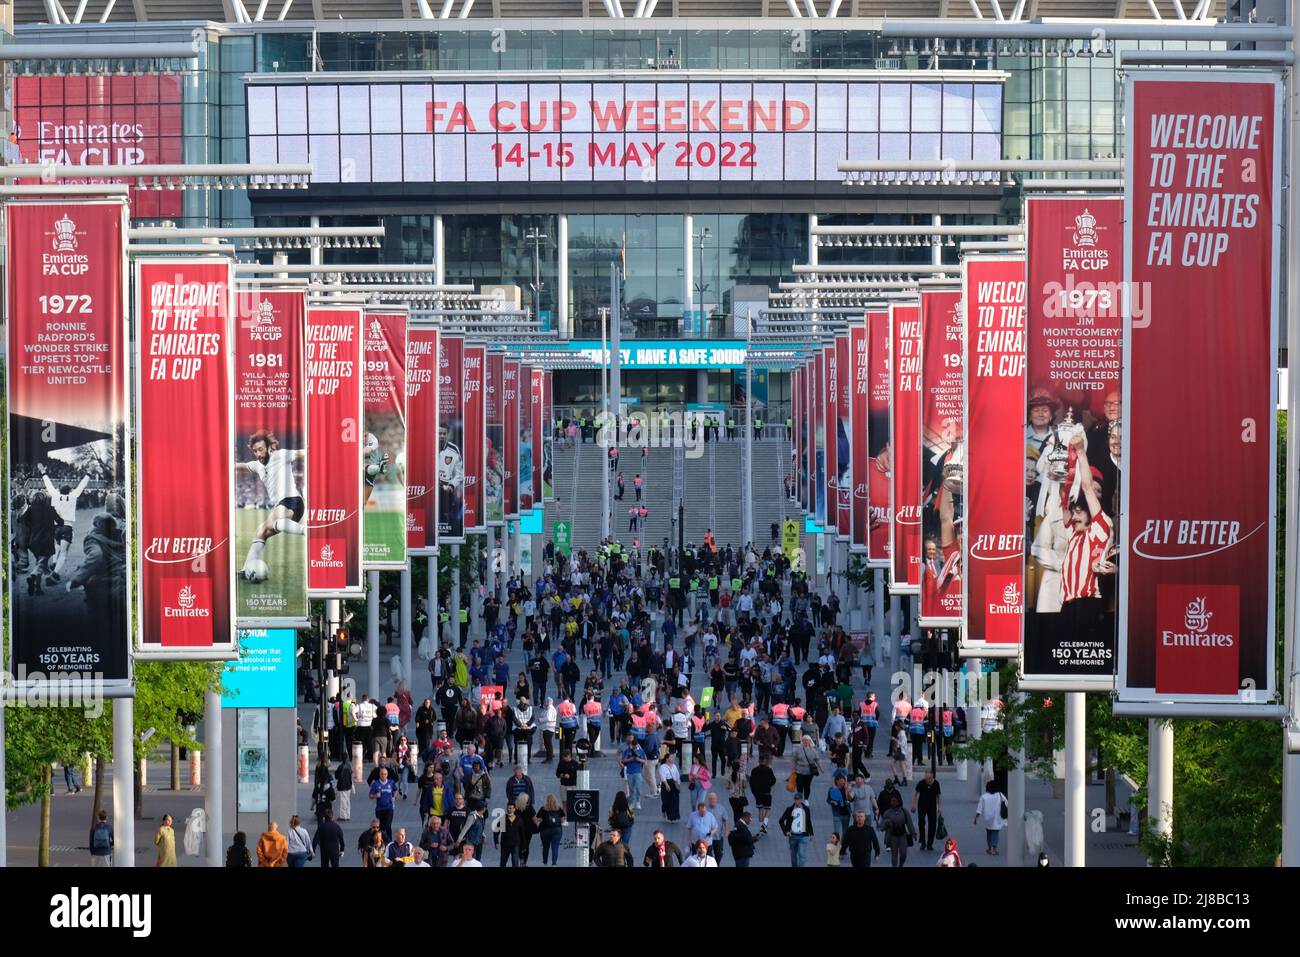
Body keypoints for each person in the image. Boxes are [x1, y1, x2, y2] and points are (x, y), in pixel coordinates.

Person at [880, 793, 916, 868]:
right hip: (892, 836)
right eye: (892, 801)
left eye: (895, 801)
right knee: (894, 854)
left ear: (899, 802)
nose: (893, 803)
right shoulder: (887, 813)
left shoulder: (904, 811)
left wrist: (913, 833)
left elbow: (909, 822)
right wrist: (886, 823)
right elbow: (882, 827)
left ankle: (901, 865)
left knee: (903, 853)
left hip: (902, 835)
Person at [778, 792, 813, 868]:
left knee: (802, 855)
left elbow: (809, 821)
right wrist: (786, 831)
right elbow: (781, 821)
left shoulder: (806, 809)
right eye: (795, 799)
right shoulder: (789, 809)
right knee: (793, 856)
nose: (797, 801)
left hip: (803, 836)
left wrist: (811, 833)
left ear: (801, 800)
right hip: (793, 836)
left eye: (798, 799)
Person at [975, 780, 1008, 855]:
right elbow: (1007, 803)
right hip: (997, 818)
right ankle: (994, 849)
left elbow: (979, 809)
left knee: (989, 833)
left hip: (987, 819)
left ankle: (989, 848)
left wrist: (976, 818)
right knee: (995, 833)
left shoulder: (984, 796)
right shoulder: (1000, 795)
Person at [912, 769, 943, 851]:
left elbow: (938, 795)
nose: (928, 780)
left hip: (932, 806)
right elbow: (915, 794)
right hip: (922, 806)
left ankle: (930, 844)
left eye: (929, 778)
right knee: (921, 822)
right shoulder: (921, 783)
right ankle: (923, 842)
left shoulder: (936, 783)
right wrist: (913, 805)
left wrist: (939, 807)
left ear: (932, 777)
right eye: (926, 778)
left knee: (932, 824)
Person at [748, 753, 777, 833]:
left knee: (760, 809)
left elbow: (751, 782)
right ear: (765, 761)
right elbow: (774, 781)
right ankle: (765, 823)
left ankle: (761, 826)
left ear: (758, 761)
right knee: (768, 809)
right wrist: (768, 785)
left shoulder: (754, 770)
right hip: (766, 792)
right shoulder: (769, 770)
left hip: (757, 793)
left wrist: (754, 791)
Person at [369, 766, 399, 842]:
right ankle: (381, 842)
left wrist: (394, 797)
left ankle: (390, 842)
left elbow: (395, 790)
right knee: (381, 828)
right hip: (379, 809)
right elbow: (370, 795)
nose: (384, 775)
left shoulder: (391, 782)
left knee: (388, 826)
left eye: (385, 774)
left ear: (387, 775)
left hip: (389, 808)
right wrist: (376, 795)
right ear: (379, 774)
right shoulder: (375, 784)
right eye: (382, 774)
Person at [537, 794, 566, 866]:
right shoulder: (559, 809)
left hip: (545, 830)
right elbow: (562, 821)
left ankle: (545, 863)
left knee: (545, 847)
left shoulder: (543, 809)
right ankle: (554, 864)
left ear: (546, 801)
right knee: (555, 848)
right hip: (557, 830)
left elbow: (538, 819)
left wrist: (539, 825)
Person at [791, 733, 822, 799]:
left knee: (807, 786)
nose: (806, 742)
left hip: (809, 772)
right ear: (802, 741)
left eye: (807, 740)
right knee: (799, 786)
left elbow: (817, 760)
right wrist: (793, 769)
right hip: (799, 771)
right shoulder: (798, 750)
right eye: (804, 740)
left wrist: (821, 768)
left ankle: (806, 799)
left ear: (810, 741)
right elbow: (794, 760)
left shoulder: (813, 751)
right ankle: (799, 799)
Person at [658, 752, 682, 822]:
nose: (673, 759)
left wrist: (678, 784)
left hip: (673, 784)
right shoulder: (663, 767)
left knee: (674, 801)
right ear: (667, 758)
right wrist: (666, 785)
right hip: (666, 784)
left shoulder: (674, 766)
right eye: (671, 757)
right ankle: (664, 811)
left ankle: (672, 817)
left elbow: (677, 775)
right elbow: (663, 776)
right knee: (666, 801)